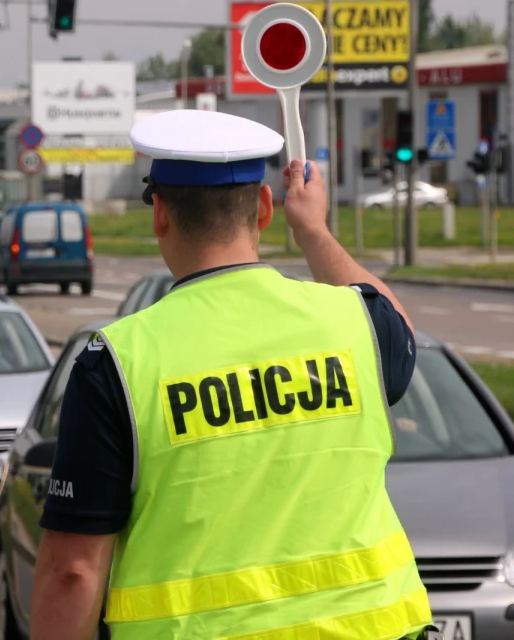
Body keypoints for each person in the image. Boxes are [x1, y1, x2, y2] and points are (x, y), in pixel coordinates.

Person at [29, 110, 433, 640]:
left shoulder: (118, 364)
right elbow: (399, 327)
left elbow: (73, 571)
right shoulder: (356, 323)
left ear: (161, 216)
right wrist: (313, 230)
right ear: (265, 208)